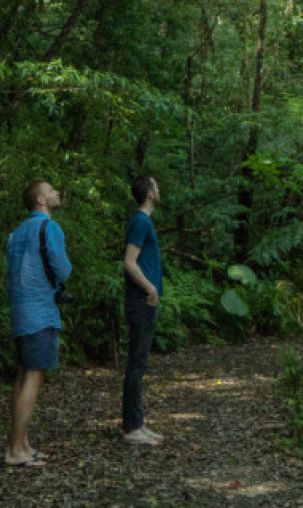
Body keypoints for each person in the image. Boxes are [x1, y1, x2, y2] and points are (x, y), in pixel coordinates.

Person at [4, 180, 70, 467]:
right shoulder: (50, 228)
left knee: (22, 377)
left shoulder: (16, 233)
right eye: (52, 190)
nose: (56, 193)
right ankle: (15, 450)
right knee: (34, 377)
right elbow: (62, 268)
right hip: (40, 312)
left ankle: (22, 443)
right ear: (41, 200)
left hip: (20, 312)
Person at [120, 175, 164, 445]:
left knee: (140, 362)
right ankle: (131, 428)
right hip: (140, 301)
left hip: (144, 301)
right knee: (136, 364)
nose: (159, 190)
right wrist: (150, 288)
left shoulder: (143, 221)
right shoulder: (139, 221)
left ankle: (137, 423)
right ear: (149, 193)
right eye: (156, 186)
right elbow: (129, 262)